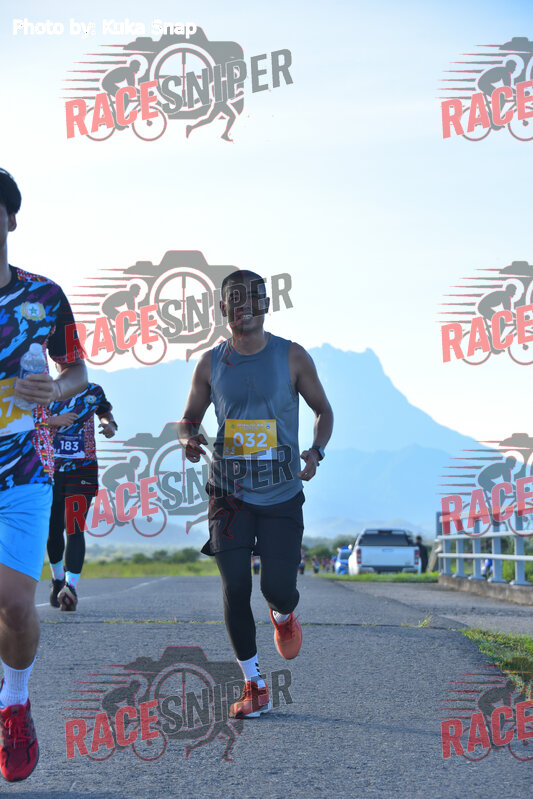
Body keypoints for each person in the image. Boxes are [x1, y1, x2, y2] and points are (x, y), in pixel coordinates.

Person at [179, 269, 333, 719]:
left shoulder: (292, 357)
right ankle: (254, 684)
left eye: (251, 298)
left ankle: (283, 615)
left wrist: (316, 452)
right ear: (222, 309)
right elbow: (188, 418)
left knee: (277, 588)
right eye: (234, 299)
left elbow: (323, 411)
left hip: (282, 493)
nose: (242, 306)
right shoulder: (210, 364)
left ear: (266, 305)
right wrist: (189, 437)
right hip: (228, 493)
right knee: (235, 587)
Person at [0, 169, 87, 781]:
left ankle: (15, 702)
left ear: (9, 219)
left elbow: (78, 371)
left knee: (14, 605)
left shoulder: (45, 297)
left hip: (25, 471)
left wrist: (55, 389)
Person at [46, 382, 117, 611]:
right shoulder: (46, 388)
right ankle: (58, 578)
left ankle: (71, 587)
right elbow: (28, 419)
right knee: (54, 529)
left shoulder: (93, 391)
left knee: (75, 527)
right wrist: (53, 420)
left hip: (83, 469)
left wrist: (108, 424)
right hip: (50, 469)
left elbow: (104, 412)